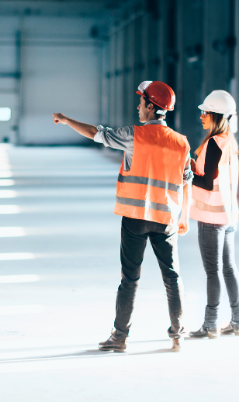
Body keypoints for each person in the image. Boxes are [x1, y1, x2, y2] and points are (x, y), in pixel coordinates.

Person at [52, 81, 193, 352]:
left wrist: (67, 120)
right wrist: (183, 216)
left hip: (135, 218)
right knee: (172, 277)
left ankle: (119, 337)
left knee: (130, 278)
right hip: (166, 219)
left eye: (141, 103)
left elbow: (96, 133)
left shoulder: (134, 135)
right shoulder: (181, 143)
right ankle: (178, 334)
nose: (138, 107)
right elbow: (186, 180)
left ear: (151, 107)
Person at [187, 90, 239, 339]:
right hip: (229, 216)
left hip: (211, 218)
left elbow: (206, 183)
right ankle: (237, 322)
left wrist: (188, 173)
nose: (201, 116)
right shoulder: (229, 142)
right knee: (229, 269)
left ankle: (210, 324)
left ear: (215, 115)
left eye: (205, 112)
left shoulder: (212, 143)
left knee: (213, 271)